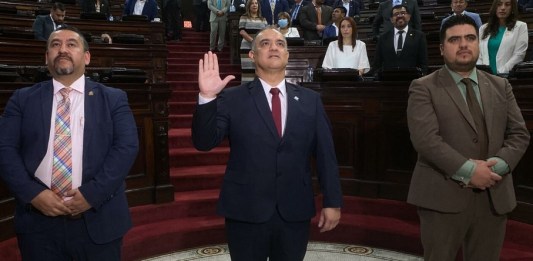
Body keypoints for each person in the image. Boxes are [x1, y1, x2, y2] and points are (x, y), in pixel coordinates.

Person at [192, 28, 342, 261]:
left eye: (280, 44)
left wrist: (332, 201)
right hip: (245, 209)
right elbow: (203, 142)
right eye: (265, 43)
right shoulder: (232, 98)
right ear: (251, 55)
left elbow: (326, 156)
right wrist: (207, 98)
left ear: (287, 55)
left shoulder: (310, 101)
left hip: (294, 209)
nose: (274, 47)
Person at [0, 26, 139, 260]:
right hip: (38, 224)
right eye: (55, 45)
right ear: (46, 57)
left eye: (71, 44)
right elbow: (4, 150)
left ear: (87, 57)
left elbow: (126, 148)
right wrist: (33, 194)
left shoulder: (114, 98)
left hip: (98, 220)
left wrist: (91, 195)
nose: (62, 49)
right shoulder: (22, 99)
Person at [406, 15, 530, 261]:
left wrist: (497, 168)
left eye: (470, 38)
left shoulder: (500, 86)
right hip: (443, 197)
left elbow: (519, 134)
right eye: (454, 40)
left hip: (494, 196)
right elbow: (426, 140)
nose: (463, 44)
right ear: (442, 49)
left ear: (477, 43)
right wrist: (469, 171)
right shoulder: (423, 87)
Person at [371, 4, 428, 75]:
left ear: (409, 17)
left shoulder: (419, 36)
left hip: (413, 81)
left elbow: (423, 63)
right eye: (396, 14)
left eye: (403, 13)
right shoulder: (383, 38)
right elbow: (377, 64)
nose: (400, 16)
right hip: (388, 81)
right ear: (391, 19)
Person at [477, 0, 528, 75]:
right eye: (499, 4)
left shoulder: (520, 26)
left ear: (512, 8)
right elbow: (478, 54)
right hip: (484, 76)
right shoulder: (483, 28)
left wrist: (501, 72)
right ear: (494, 7)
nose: (503, 8)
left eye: (507, 5)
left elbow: (519, 54)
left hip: (506, 76)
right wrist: (483, 71)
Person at [238, 0, 268, 82]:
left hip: (260, 48)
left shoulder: (263, 19)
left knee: (259, 70)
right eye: (252, 3)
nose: (254, 5)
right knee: (247, 71)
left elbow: (266, 33)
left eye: (256, 3)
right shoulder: (244, 17)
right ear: (249, 6)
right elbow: (242, 31)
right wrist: (253, 41)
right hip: (247, 47)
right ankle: (246, 91)